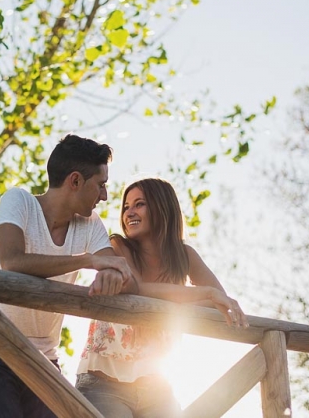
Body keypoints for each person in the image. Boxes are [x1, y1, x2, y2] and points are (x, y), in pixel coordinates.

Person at [0, 134, 134, 418]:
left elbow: (119, 270)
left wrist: (110, 274)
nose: (105, 196)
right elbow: (13, 261)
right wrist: (88, 260)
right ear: (75, 181)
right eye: (101, 185)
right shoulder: (19, 201)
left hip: (45, 362)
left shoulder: (89, 224)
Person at [76, 178, 248, 418]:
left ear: (162, 207)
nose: (130, 212)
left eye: (139, 204)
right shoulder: (118, 246)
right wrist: (202, 293)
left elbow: (218, 301)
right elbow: (138, 289)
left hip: (157, 385)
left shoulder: (184, 255)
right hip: (104, 382)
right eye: (126, 207)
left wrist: (208, 296)